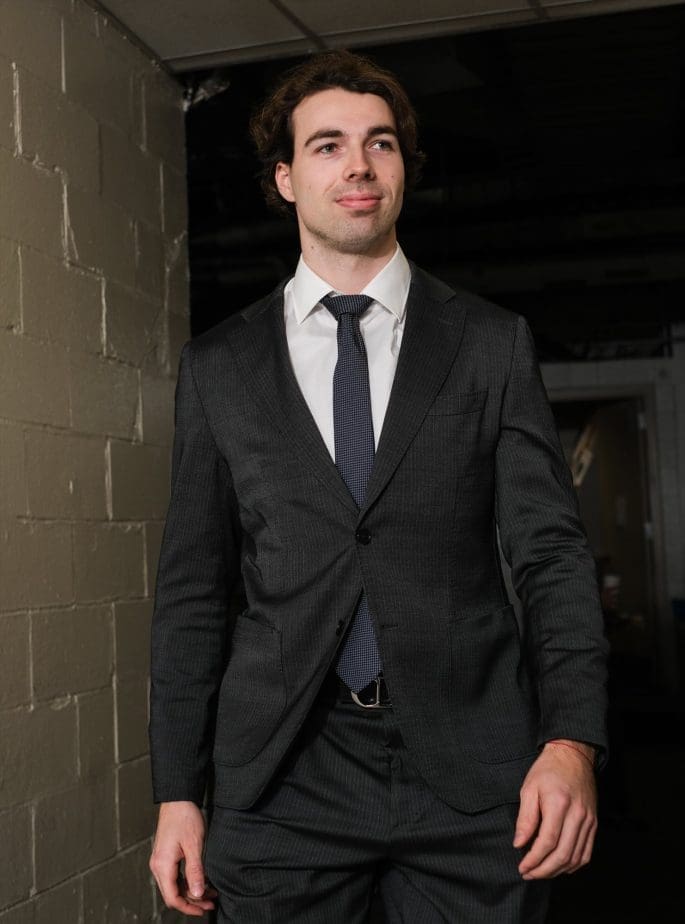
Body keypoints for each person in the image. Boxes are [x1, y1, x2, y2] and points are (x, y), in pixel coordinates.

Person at [149, 50, 608, 923]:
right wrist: (178, 790)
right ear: (284, 178)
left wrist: (571, 739)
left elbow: (551, 556)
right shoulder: (217, 367)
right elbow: (192, 592)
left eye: (380, 144)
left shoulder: (488, 343)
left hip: (475, 775)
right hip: (283, 773)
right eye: (326, 146)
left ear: (403, 169)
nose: (357, 165)